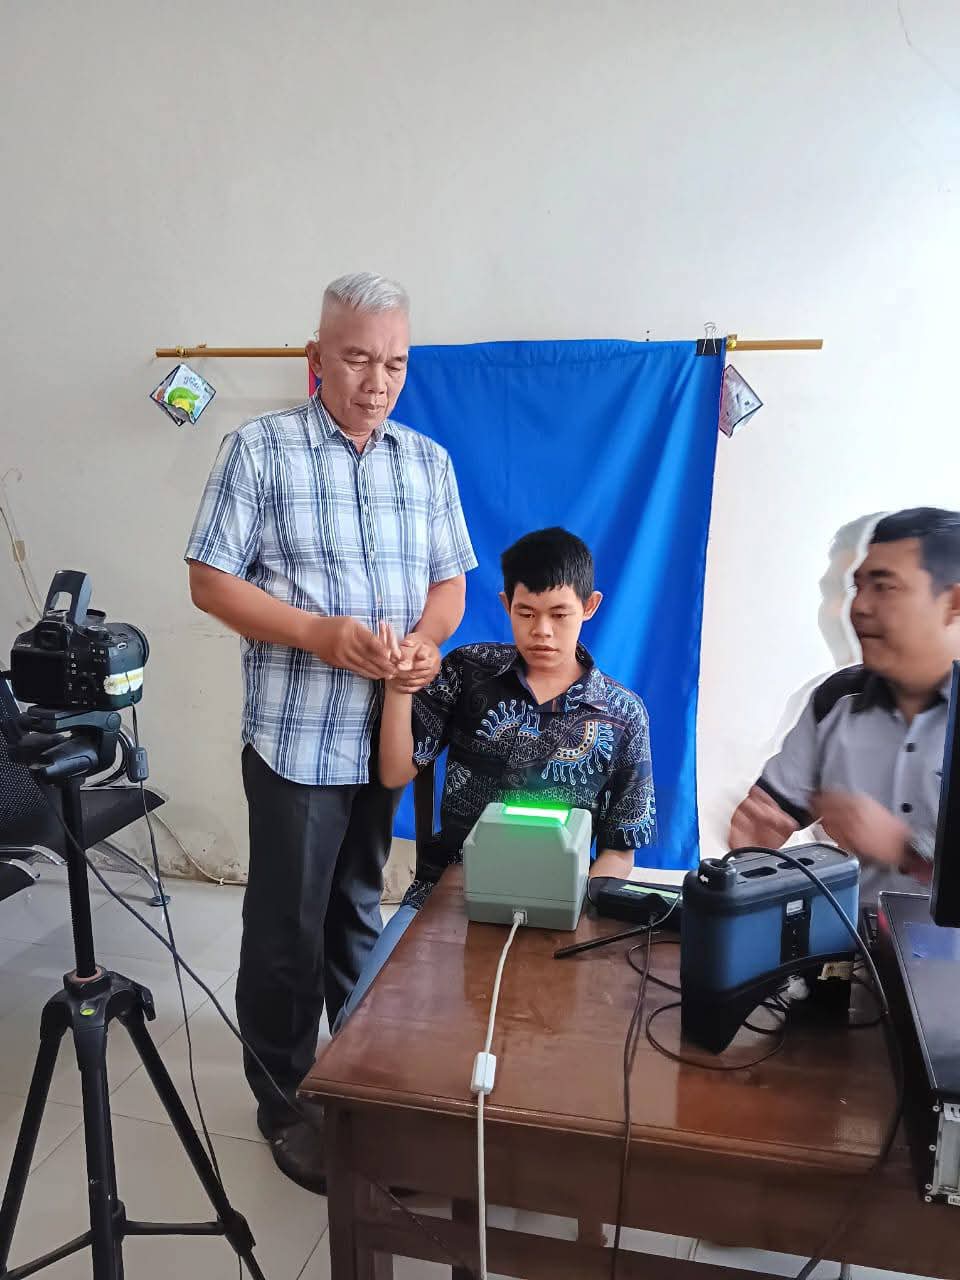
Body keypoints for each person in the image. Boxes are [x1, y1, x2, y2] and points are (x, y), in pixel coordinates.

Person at [185, 272, 477, 1191]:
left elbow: (449, 585)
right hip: (295, 738)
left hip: (385, 733)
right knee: (288, 925)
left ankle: (360, 1080)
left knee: (360, 909)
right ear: (316, 358)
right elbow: (209, 581)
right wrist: (317, 634)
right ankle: (284, 1099)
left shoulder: (427, 462)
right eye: (357, 359)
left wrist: (427, 643)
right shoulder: (259, 449)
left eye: (395, 363)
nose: (377, 381)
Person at [332, 527, 658, 1032]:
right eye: (526, 614)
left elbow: (620, 850)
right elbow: (396, 771)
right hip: (445, 895)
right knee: (361, 1024)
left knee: (545, 1037)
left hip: (560, 911)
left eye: (559, 615)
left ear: (590, 606)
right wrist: (399, 690)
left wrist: (576, 916)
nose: (541, 631)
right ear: (506, 604)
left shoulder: (622, 715)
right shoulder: (469, 673)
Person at [729, 507, 960, 903]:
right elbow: (762, 821)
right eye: (858, 587)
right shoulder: (836, 698)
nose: (859, 607)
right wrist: (758, 835)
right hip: (849, 939)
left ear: (953, 602)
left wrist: (904, 851)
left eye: (884, 587)